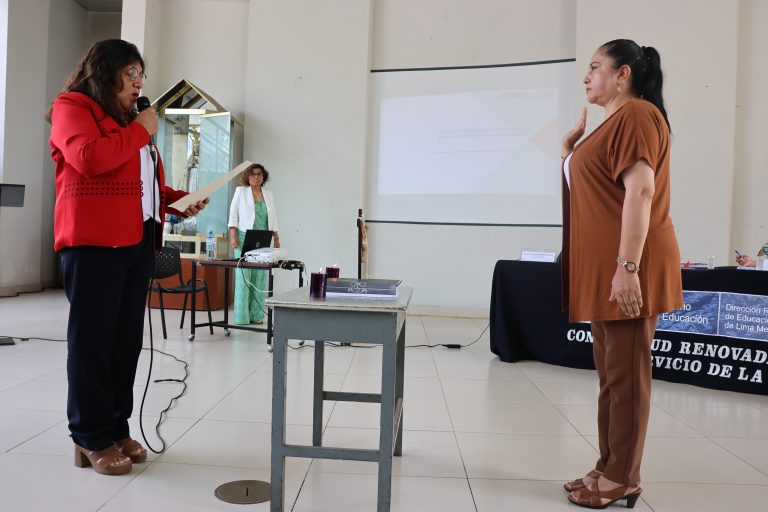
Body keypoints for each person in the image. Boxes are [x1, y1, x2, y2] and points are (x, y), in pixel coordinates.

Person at [49, 39, 208, 475]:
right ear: (105, 72)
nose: (139, 81)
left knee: (125, 344)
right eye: (131, 72)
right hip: (93, 245)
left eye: (141, 73)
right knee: (93, 344)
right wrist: (141, 129)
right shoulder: (73, 107)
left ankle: (116, 428)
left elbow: (139, 184)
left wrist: (179, 200)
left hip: (137, 242)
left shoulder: (130, 122)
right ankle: (88, 436)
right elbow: (88, 159)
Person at [559, 39, 683, 508]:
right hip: (609, 270)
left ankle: (624, 477)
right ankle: (608, 463)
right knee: (612, 377)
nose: (587, 77)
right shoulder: (613, 123)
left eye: (595, 67)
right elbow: (599, 192)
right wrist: (571, 152)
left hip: (629, 267)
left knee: (627, 376)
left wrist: (627, 267)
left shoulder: (637, 115)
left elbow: (642, 192)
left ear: (624, 73)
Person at [227, 163, 280, 325]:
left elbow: (273, 217)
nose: (256, 177)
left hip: (263, 237)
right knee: (244, 277)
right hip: (244, 236)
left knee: (260, 278)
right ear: (247, 177)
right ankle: (241, 317)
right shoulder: (240, 192)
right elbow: (233, 214)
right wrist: (233, 236)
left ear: (263, 177)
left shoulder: (268, 194)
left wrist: (277, 237)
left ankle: (256, 316)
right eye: (253, 174)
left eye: (259, 174)